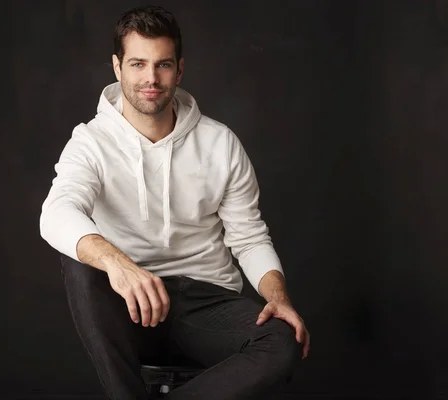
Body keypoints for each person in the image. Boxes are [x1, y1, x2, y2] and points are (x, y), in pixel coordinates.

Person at [40, 5, 310, 399]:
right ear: (117, 68)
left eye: (163, 65)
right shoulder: (90, 142)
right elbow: (56, 213)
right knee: (81, 262)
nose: (150, 78)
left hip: (208, 304)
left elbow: (249, 238)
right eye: (138, 64)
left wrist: (278, 298)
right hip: (130, 306)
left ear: (179, 70)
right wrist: (120, 266)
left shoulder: (219, 143)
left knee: (282, 341)